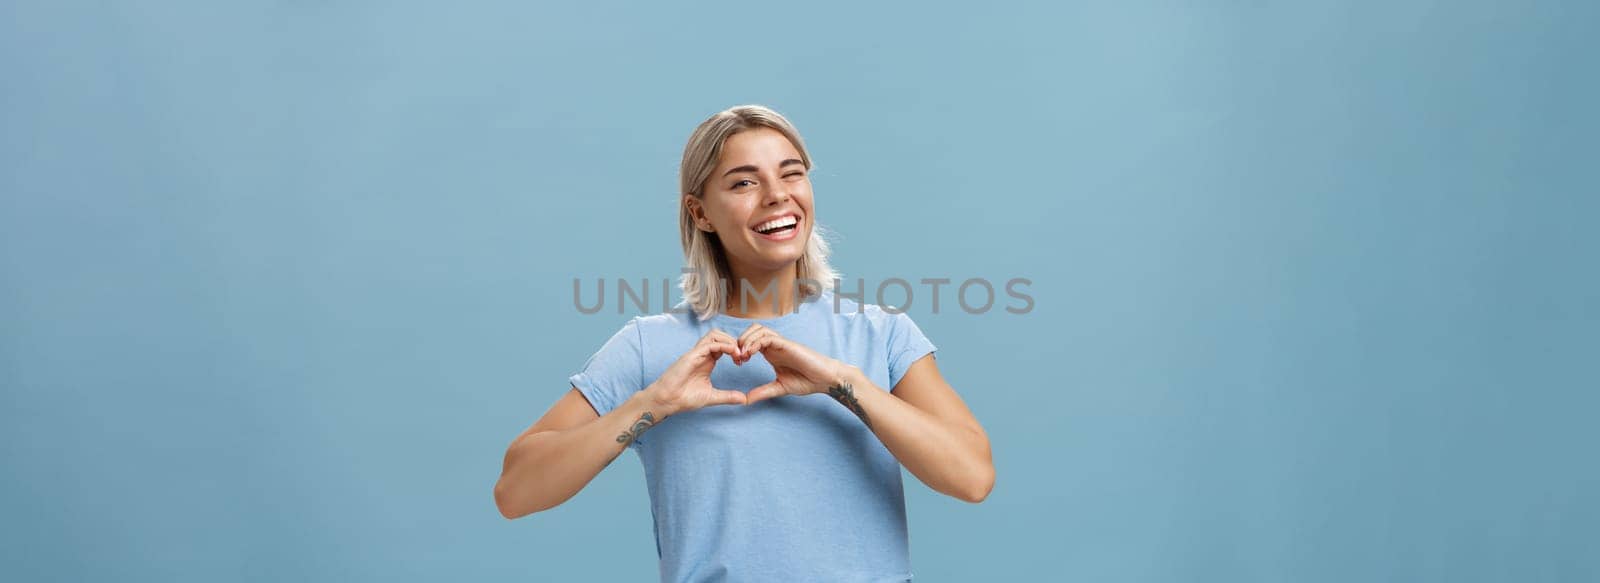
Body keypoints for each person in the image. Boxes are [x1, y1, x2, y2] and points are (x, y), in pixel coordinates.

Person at [494, 104, 994, 582]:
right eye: (744, 183)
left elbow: (972, 478)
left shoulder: (880, 334)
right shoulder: (650, 348)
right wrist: (654, 404)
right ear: (701, 213)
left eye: (792, 173)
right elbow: (516, 492)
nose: (777, 195)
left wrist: (844, 383)